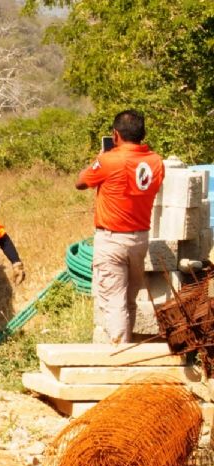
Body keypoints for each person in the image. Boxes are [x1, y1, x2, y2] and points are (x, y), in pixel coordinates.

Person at [75, 109, 164, 344]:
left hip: (112, 240)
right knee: (129, 300)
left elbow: (81, 182)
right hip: (140, 239)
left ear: (116, 135)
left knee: (113, 301)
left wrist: (99, 158)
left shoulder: (108, 160)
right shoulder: (156, 162)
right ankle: (127, 346)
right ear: (142, 133)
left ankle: (118, 355)